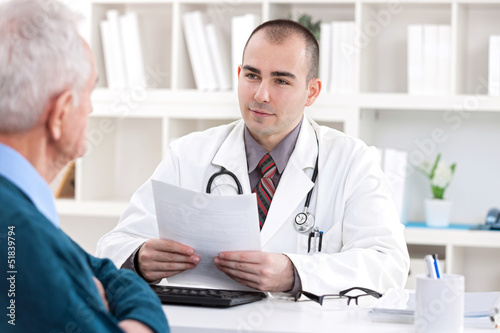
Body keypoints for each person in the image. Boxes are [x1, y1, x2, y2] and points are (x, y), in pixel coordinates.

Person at [97, 19, 409, 297]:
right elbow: (113, 246)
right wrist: (139, 257)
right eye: (252, 75)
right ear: (239, 75)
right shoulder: (188, 154)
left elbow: (388, 263)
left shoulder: (351, 161)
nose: (261, 94)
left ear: (312, 92)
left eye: (281, 80)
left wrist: (293, 272)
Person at [0, 1, 169, 332]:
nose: (91, 107)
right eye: (88, 92)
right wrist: (140, 318)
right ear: (61, 113)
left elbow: (96, 267)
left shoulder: (21, 214)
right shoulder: (21, 235)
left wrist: (98, 283)